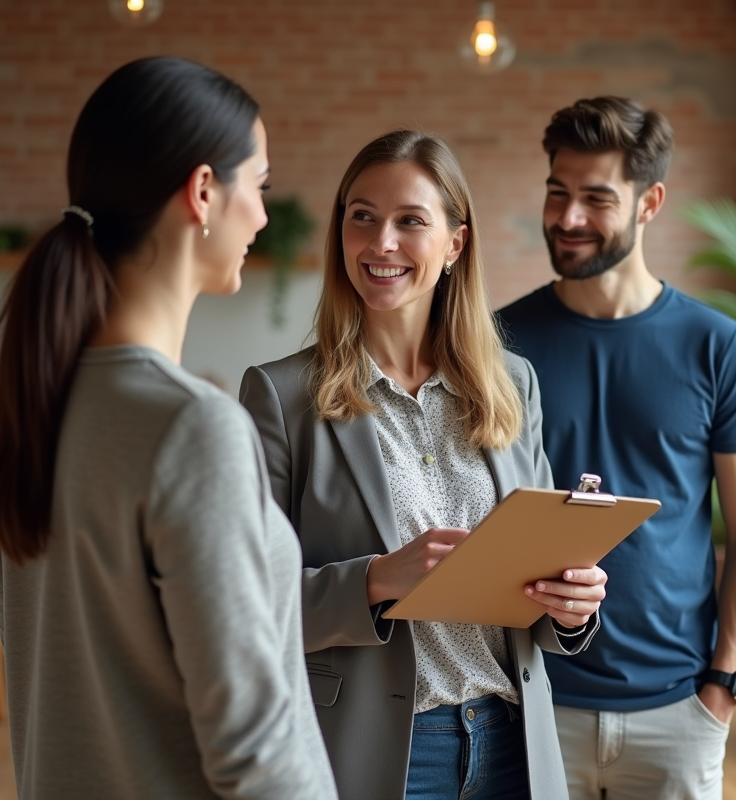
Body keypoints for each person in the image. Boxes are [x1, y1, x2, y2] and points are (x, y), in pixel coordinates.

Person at [0, 57, 337, 800]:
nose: (264, 216)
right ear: (204, 192)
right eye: (259, 186)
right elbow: (256, 751)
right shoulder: (193, 430)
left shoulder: (42, 401)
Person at [239, 129, 609, 800]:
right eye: (362, 217)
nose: (381, 242)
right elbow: (243, 603)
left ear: (455, 245)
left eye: (410, 221)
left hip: (512, 742)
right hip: (378, 752)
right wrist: (376, 581)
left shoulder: (513, 384)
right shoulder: (280, 396)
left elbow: (541, 574)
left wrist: (572, 607)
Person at [498, 97, 736, 800]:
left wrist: (722, 689)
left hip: (678, 711)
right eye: (557, 192)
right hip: (534, 698)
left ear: (649, 202)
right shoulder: (496, 343)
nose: (567, 218)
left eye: (596, 198)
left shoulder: (719, 348)